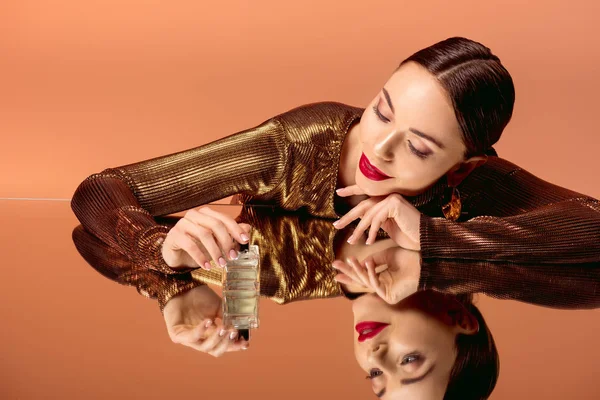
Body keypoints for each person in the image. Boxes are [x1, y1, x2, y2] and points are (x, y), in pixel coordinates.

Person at [71, 35, 599, 357]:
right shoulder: (293, 147)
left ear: (461, 169)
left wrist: (433, 235)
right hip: (234, 277)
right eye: (383, 110)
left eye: (416, 146)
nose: (379, 146)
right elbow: (101, 190)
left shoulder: (469, 181)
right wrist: (159, 254)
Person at [72, 208, 499, 400]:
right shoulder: (458, 208)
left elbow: (91, 234)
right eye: (409, 363)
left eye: (374, 376)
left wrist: (173, 291)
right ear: (460, 317)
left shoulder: (276, 279)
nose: (376, 355)